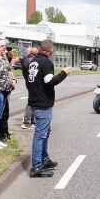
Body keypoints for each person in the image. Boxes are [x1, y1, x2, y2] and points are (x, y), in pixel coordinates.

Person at [26, 39, 71, 178]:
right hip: (43, 103)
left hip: (35, 101)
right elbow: (49, 81)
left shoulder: (33, 61)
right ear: (50, 50)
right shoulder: (46, 62)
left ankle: (45, 160)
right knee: (40, 135)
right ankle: (36, 167)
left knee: (45, 132)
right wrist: (64, 73)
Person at [19, 46, 38, 129]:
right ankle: (26, 121)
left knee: (34, 101)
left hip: (29, 82)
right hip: (32, 83)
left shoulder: (25, 59)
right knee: (31, 101)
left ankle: (32, 121)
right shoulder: (32, 60)